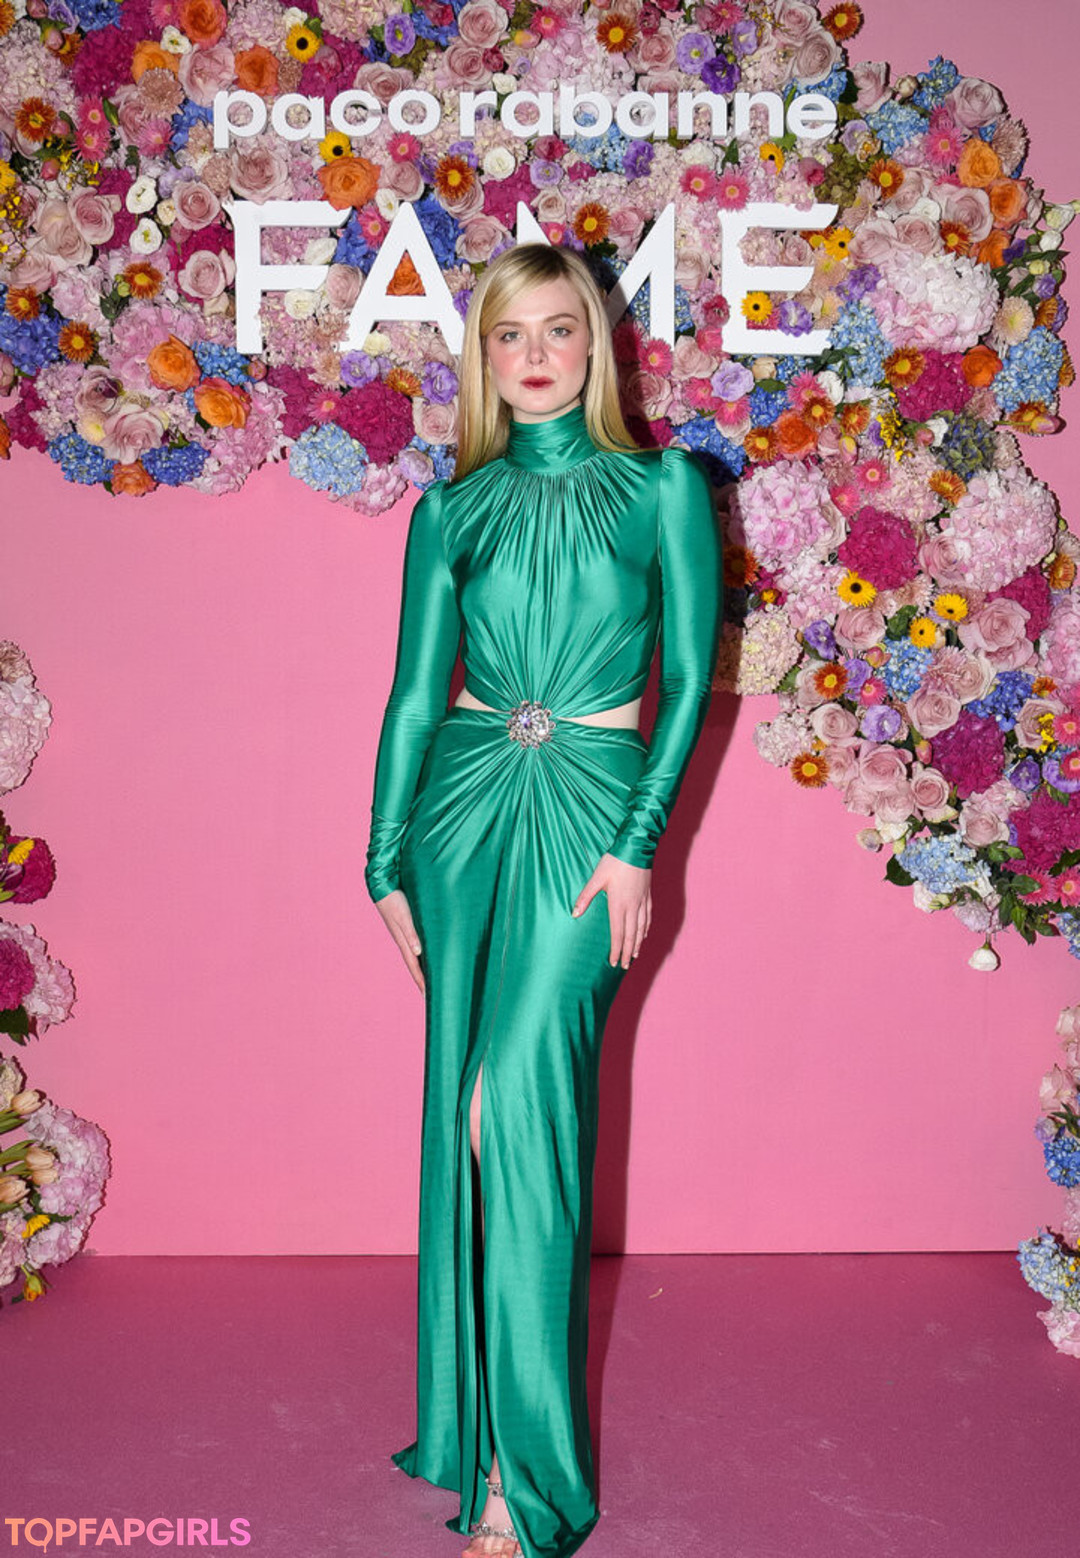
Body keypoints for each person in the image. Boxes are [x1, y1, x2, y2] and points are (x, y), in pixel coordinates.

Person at [364, 241, 723, 1558]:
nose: (533, 355)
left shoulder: (662, 488)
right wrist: (381, 857)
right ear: (483, 356)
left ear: (597, 347)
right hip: (462, 814)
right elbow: (416, 693)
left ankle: (530, 1483)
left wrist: (638, 847)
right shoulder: (448, 512)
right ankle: (475, 1433)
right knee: (463, 1119)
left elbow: (689, 680)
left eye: (557, 329)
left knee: (512, 1103)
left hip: (595, 814)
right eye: (508, 334)